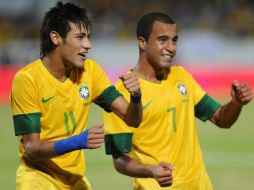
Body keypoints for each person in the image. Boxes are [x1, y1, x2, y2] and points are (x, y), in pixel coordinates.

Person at [103, 12, 253, 189]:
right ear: (143, 42)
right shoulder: (122, 92)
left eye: (174, 40)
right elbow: (119, 160)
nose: (171, 47)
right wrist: (151, 170)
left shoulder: (181, 77)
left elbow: (221, 119)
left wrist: (236, 103)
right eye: (163, 40)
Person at [10, 1, 142, 190]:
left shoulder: (91, 71)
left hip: (75, 180)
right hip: (38, 180)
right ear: (56, 38)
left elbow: (132, 119)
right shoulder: (28, 79)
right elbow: (31, 150)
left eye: (88, 37)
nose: (88, 45)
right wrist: (77, 141)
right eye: (80, 37)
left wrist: (136, 97)